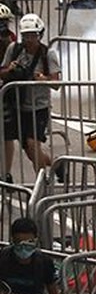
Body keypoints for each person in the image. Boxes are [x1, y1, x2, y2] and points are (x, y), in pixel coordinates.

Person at [0, 14, 61, 180]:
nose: (29, 40)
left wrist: (43, 79)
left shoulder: (48, 54)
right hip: (18, 106)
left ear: (40, 35)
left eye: (33, 35)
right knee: (31, 152)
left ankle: (42, 183)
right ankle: (57, 164)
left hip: (38, 107)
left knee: (34, 145)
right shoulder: (14, 49)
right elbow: (2, 72)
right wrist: (10, 69)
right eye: (26, 36)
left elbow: (57, 83)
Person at [0, 218, 59, 294]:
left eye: (28, 243)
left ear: (35, 241)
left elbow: (54, 293)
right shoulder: (3, 258)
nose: (23, 248)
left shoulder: (44, 262)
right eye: (19, 243)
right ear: (12, 241)